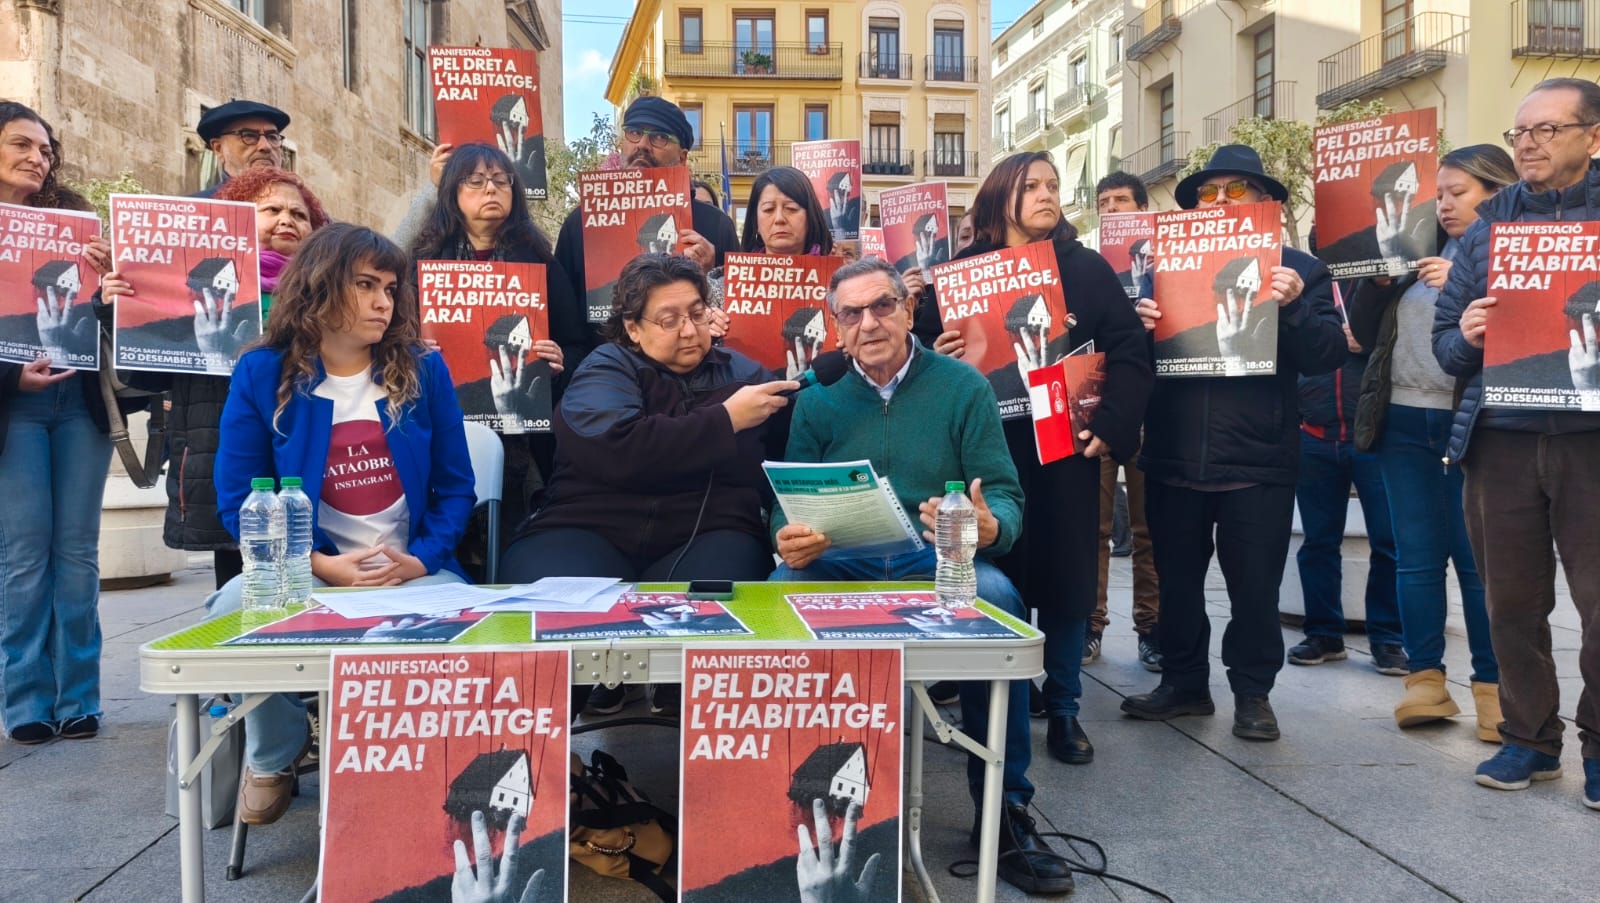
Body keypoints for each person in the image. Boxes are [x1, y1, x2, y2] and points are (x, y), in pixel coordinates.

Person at [771, 256, 1075, 895]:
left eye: (882, 306)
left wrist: (993, 529)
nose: (868, 322)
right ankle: (789, 807)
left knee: (998, 604)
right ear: (835, 326)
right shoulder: (819, 395)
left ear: (909, 311)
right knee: (775, 601)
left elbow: (1009, 503)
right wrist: (789, 536)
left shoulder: (963, 386)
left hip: (939, 559)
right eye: (850, 313)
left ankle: (1005, 811)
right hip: (840, 559)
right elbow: (786, 502)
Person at [208, 224, 475, 824]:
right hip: (309, 572)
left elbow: (457, 487)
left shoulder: (422, 369)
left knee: (460, 621)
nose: (385, 301)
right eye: (365, 285)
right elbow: (235, 501)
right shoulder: (262, 374)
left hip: (409, 575)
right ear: (321, 287)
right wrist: (318, 566)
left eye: (389, 287)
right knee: (230, 610)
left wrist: (422, 560)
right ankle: (274, 753)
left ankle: (409, 769)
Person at [501, 255, 795, 713]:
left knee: (729, 601)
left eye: (697, 314)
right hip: (586, 527)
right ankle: (546, 762)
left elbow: (792, 449)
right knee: (544, 614)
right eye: (669, 319)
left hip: (709, 530)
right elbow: (618, 447)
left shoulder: (746, 376)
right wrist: (725, 421)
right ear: (633, 328)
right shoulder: (605, 367)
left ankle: (701, 747)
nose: (689, 330)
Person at [933, 153, 1152, 766]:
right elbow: (922, 362)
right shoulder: (962, 274)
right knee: (994, 575)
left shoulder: (1086, 269)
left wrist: (1110, 426)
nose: (1046, 194)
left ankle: (1064, 708)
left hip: (1063, 452)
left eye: (1054, 185)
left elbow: (1132, 352)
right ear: (1002, 194)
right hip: (986, 453)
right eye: (1031, 185)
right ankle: (1000, 697)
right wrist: (938, 345)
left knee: (1064, 581)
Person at [1123, 144, 1347, 741]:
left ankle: (1253, 694)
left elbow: (1327, 354)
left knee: (1255, 590)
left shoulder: (1299, 267)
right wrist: (1140, 334)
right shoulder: (1160, 267)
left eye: (1236, 190)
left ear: (1268, 201)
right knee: (1177, 582)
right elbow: (1132, 369)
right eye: (1208, 193)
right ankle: (1183, 683)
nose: (1219, 202)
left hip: (1258, 462)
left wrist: (1295, 307)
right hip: (1172, 458)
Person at [1433, 78, 1600, 805]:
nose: (1528, 143)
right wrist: (1466, 334)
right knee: (1510, 603)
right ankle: (1530, 740)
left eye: (1546, 130)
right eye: (1519, 132)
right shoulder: (1486, 226)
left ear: (1592, 137)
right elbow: (1443, 344)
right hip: (1500, 440)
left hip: (1591, 440)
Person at [1349, 144, 1513, 739]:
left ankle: (1495, 693)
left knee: (1478, 565)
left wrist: (1465, 287)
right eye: (1438, 192)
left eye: (1458, 192)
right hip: (1401, 421)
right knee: (1415, 558)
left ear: (1496, 193)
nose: (1443, 204)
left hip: (1476, 425)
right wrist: (1378, 282)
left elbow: (1532, 332)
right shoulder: (1415, 249)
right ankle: (1425, 681)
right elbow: (1363, 339)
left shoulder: (1517, 253)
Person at [106, 167, 330, 592]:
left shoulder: (329, 292)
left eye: (299, 215)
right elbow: (143, 376)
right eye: (271, 210)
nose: (287, 220)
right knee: (244, 589)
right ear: (237, 220)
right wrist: (119, 312)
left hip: (304, 452)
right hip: (220, 457)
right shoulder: (194, 292)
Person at [0, 102, 137, 744]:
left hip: (77, 405)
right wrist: (10, 378)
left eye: (45, 149)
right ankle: (25, 700)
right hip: (14, 410)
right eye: (22, 144)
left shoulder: (75, 221)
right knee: (25, 555)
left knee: (78, 554)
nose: (37, 158)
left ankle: (79, 696)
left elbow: (108, 328)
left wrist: (108, 289)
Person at [401, 143, 581, 553]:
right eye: (476, 181)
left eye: (501, 181)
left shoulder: (539, 262)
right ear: (452, 193)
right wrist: (411, 348)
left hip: (524, 437)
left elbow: (576, 342)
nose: (491, 190)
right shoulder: (422, 262)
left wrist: (558, 360)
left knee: (514, 539)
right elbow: (389, 341)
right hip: (441, 422)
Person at [554, 96, 739, 343]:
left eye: (659, 137)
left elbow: (735, 323)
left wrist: (710, 277)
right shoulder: (581, 223)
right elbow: (562, 318)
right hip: (604, 373)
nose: (642, 144)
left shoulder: (715, 225)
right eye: (634, 132)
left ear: (682, 157)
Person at [1285, 315, 1405, 675]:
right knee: (1318, 541)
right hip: (1314, 433)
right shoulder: (1308, 292)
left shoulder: (1378, 288)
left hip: (1374, 436)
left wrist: (1369, 339)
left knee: (1387, 542)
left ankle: (1387, 637)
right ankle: (1323, 633)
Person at [1090, 170, 1161, 670]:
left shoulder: (1171, 263)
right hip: (1094, 407)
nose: (1112, 209)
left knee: (1146, 528)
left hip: (1150, 408)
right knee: (1091, 528)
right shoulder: (1088, 267)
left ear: (1143, 207)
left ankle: (1151, 629)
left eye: (1121, 200)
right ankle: (1089, 626)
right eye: (1104, 202)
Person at [194, 99, 290, 198]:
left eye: (272, 137)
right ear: (218, 148)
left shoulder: (301, 207)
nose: (265, 146)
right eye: (249, 136)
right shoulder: (195, 209)